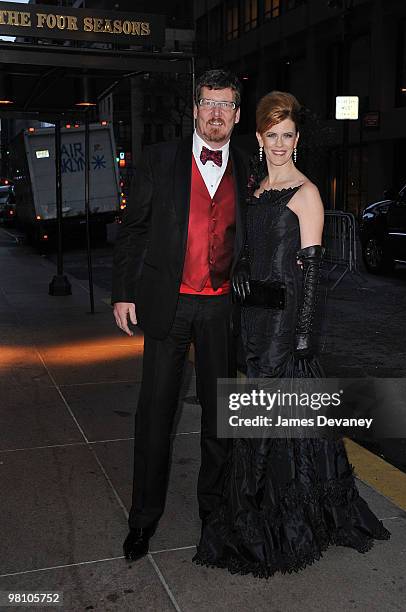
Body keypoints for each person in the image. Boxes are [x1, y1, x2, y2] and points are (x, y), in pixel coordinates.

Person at [193, 91, 390, 578]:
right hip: (255, 322)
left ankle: (274, 516)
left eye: (288, 135)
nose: (280, 143)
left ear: (296, 139)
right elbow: (252, 248)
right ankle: (276, 506)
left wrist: (302, 340)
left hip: (285, 327)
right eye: (271, 135)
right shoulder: (257, 188)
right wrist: (239, 267)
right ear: (258, 138)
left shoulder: (307, 195)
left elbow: (313, 277)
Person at [111, 69, 249, 562]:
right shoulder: (160, 159)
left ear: (236, 113)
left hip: (220, 306)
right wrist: (123, 292)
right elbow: (133, 229)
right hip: (168, 302)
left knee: (220, 416)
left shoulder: (250, 164)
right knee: (155, 415)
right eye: (209, 103)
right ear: (195, 109)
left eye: (226, 105)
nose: (216, 113)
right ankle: (142, 520)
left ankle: (213, 512)